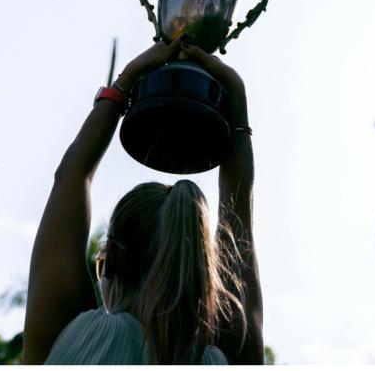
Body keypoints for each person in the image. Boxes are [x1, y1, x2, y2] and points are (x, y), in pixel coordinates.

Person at [23, 35, 262, 365]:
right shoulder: (219, 357)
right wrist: (235, 96)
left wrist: (126, 81)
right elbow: (238, 214)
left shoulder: (74, 338)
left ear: (110, 263)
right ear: (204, 274)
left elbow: (70, 178)